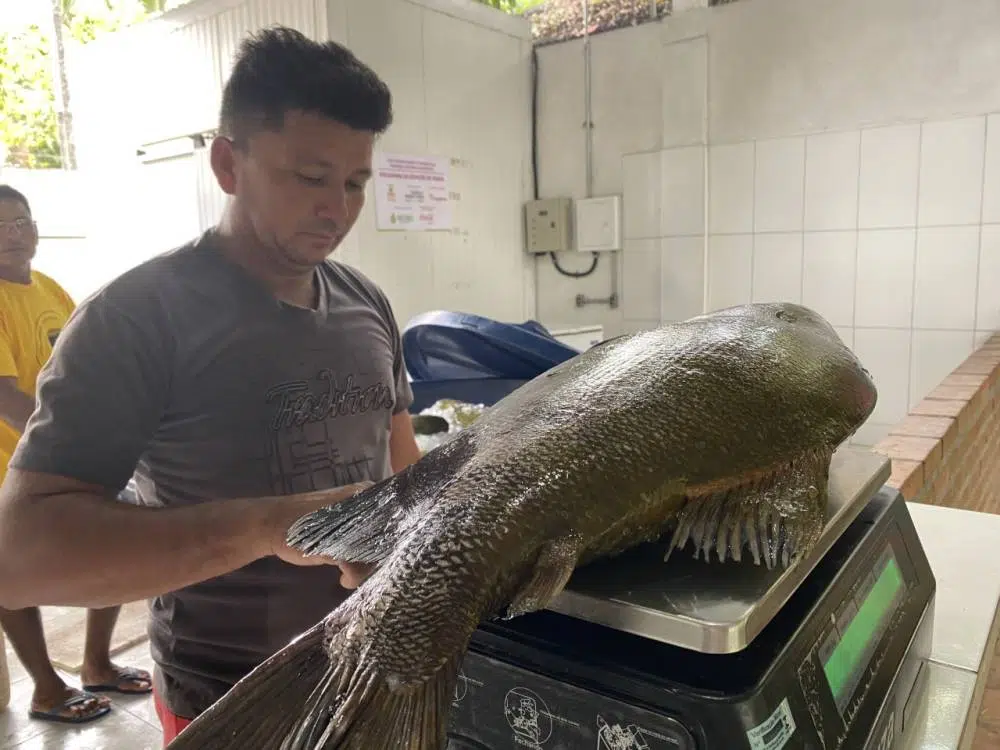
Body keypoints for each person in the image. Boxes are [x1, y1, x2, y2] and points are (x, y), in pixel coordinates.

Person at [0, 26, 421, 746]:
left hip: (373, 677)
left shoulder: (366, 303)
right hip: (228, 701)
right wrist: (270, 527)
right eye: (310, 177)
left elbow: (402, 461)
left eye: (355, 183)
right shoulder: (136, 318)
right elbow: (21, 557)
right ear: (228, 164)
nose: (338, 208)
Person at [0, 185, 152, 725]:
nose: (13, 234)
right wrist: (68, 442)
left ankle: (97, 663)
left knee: (110, 547)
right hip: (13, 464)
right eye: (0, 227)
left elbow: (81, 368)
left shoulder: (49, 288)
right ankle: (46, 688)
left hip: (62, 453)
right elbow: (5, 396)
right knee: (11, 576)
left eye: (21, 222)